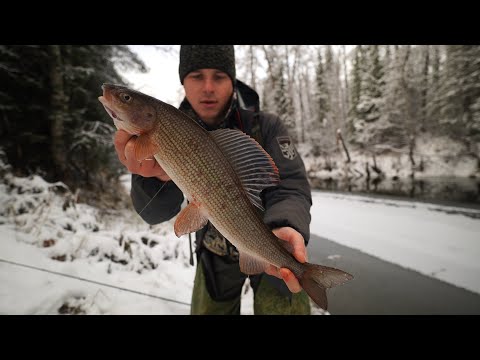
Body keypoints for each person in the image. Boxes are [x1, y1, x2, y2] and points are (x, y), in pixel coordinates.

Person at [114, 45, 313, 315]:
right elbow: (153, 214)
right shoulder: (162, 132)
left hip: (273, 243)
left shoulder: (267, 126)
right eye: (196, 75)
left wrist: (287, 224)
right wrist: (149, 177)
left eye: (219, 76)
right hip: (213, 256)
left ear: (232, 79)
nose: (208, 87)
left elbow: (292, 186)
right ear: (183, 80)